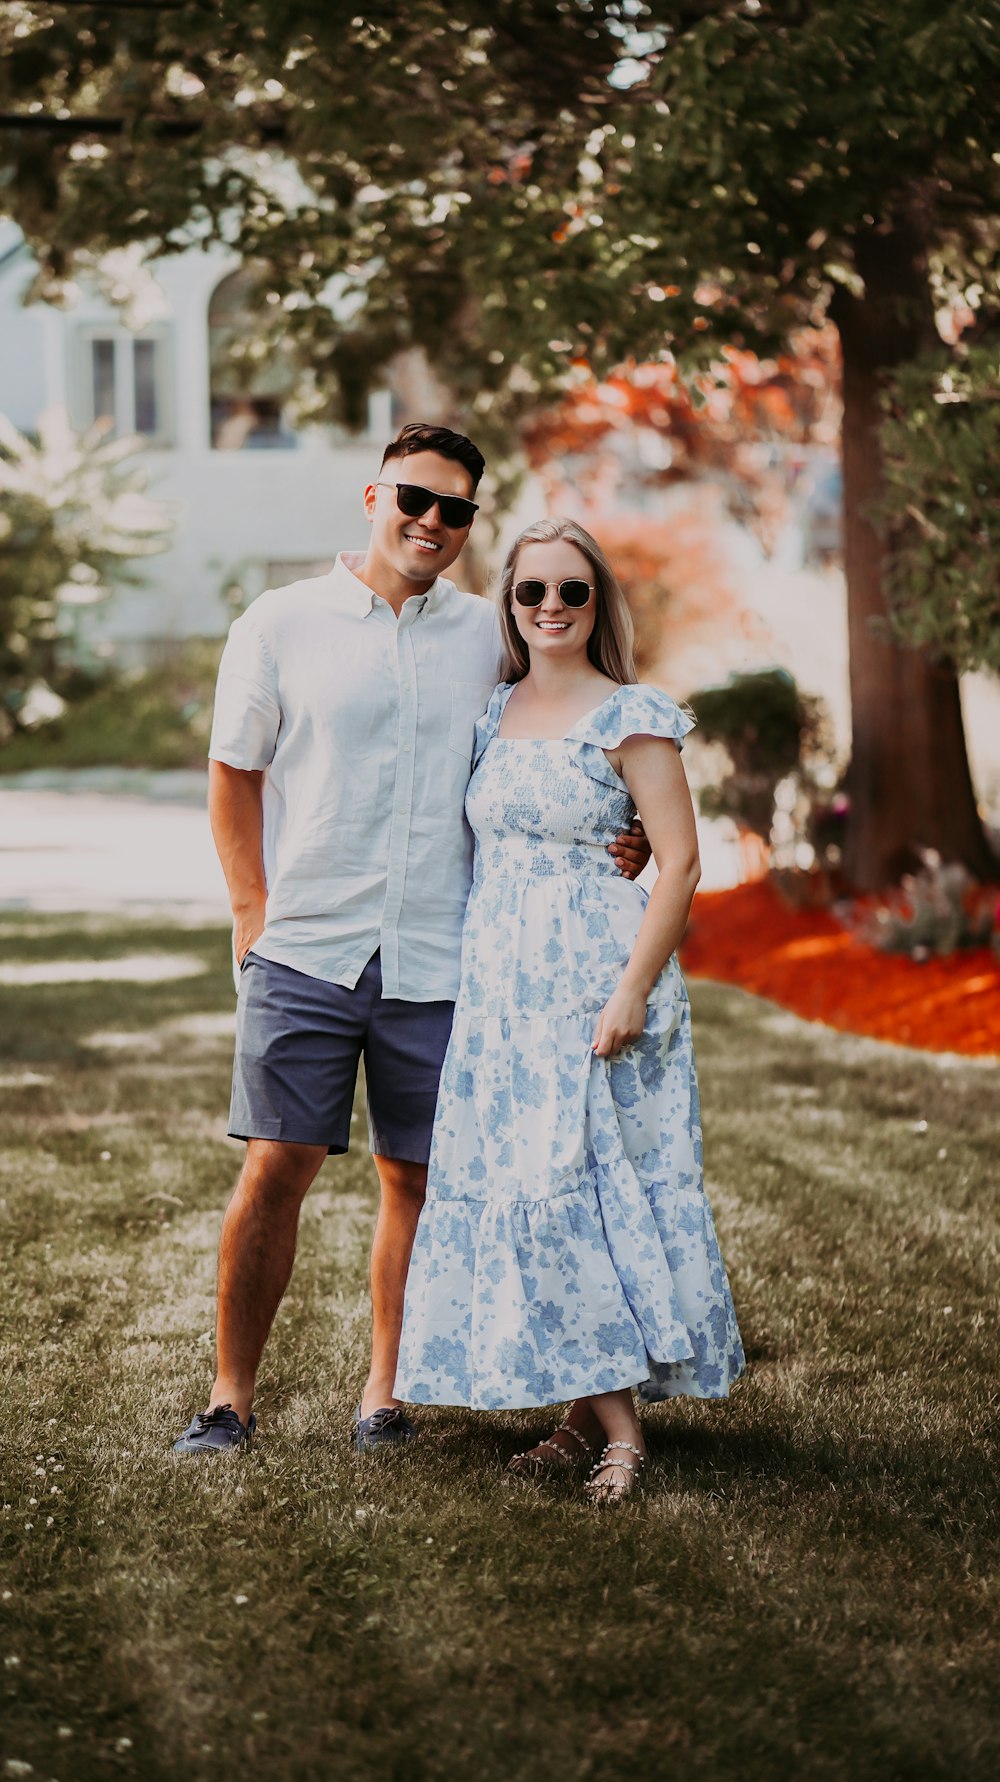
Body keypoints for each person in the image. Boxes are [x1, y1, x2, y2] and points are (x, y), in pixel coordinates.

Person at [172, 426, 649, 1456]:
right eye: (415, 501)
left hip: (445, 950)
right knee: (278, 1163)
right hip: (306, 943)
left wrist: (635, 818)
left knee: (417, 1177)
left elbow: (566, 723)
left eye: (456, 510)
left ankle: (383, 1391)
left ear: (472, 524)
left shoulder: (493, 631)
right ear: (373, 496)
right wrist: (252, 917)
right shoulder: (280, 622)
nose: (432, 523)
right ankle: (227, 1399)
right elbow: (232, 773)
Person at [395, 517, 745, 1503]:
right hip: (502, 989)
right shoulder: (490, 713)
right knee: (533, 1185)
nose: (551, 607)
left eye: (571, 591)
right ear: (509, 605)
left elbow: (677, 860)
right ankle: (574, 1414)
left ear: (598, 605)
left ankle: (622, 1434)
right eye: (531, 592)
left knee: (585, 1188)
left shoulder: (630, 714)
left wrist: (629, 987)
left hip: (594, 979)